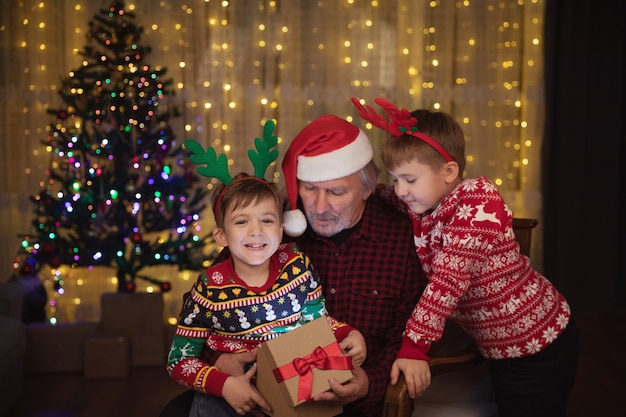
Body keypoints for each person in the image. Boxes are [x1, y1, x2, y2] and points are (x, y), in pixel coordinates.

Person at [353, 97, 579, 417]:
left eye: (410, 180)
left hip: (539, 343)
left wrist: (414, 348)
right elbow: (384, 195)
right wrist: (355, 186)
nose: (401, 190)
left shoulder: (477, 202)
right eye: (396, 179)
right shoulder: (424, 202)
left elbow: (447, 281)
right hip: (499, 347)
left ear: (449, 171)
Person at [166, 172, 367, 417]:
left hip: (290, 378)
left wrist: (348, 333)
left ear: (281, 229)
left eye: (267, 221)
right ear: (221, 235)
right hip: (231, 389)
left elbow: (318, 323)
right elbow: (178, 360)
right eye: (241, 222)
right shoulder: (210, 288)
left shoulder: (297, 266)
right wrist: (224, 385)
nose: (256, 231)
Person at [278, 115, 427, 416]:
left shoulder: (404, 239)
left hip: (358, 401)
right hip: (275, 386)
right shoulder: (273, 227)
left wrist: (368, 384)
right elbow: (212, 297)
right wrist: (220, 359)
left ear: (365, 189)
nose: (319, 208)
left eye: (336, 192)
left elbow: (411, 334)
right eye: (309, 189)